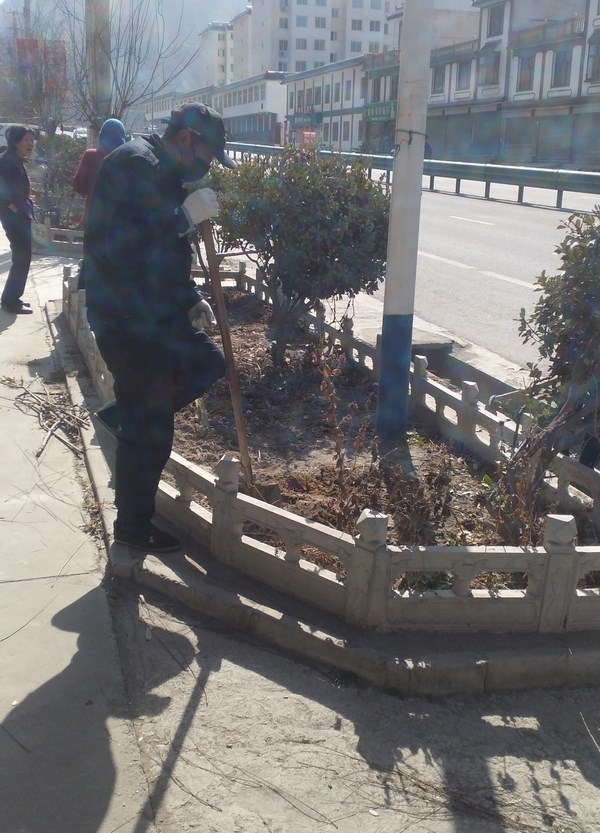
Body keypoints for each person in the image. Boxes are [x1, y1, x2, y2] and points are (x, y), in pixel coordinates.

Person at [84, 103, 234, 554]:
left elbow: (165, 256)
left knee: (208, 362)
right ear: (185, 138)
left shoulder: (165, 175)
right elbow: (122, 248)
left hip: (155, 313)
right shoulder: (133, 165)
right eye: (207, 156)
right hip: (125, 318)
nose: (207, 167)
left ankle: (123, 415)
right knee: (151, 432)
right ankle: (132, 529)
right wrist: (181, 218)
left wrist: (191, 297)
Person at [0, 125, 36, 314]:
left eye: (32, 140)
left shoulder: (15, 160)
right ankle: (11, 300)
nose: (31, 144)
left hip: (20, 214)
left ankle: (12, 297)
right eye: (26, 140)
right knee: (22, 257)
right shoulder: (6, 161)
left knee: (23, 256)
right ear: (16, 142)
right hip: (13, 217)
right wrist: (9, 204)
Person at [72, 118, 126, 222]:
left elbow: (80, 187)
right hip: (118, 222)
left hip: (93, 219)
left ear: (102, 135)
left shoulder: (90, 156)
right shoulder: (126, 159)